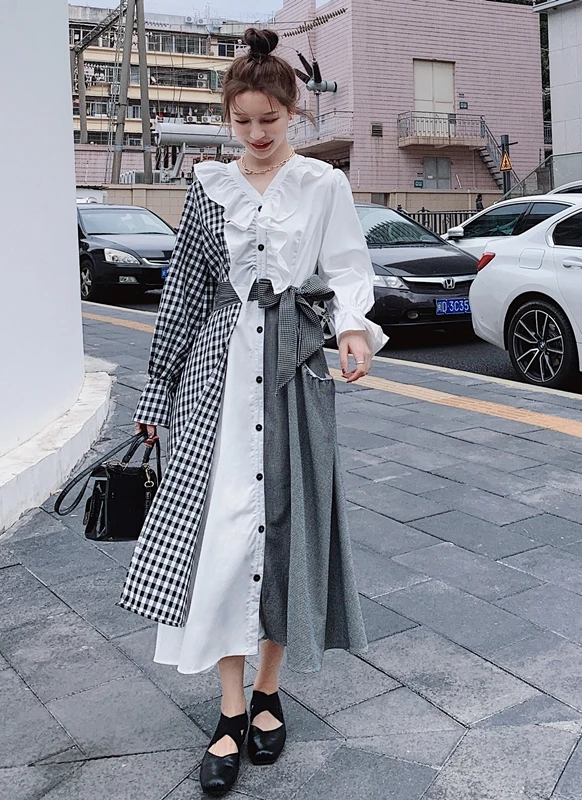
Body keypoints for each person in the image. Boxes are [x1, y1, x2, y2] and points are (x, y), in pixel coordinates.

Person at [118, 27, 386, 797]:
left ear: (293, 113)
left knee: (285, 530)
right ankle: (231, 707)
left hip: (295, 369)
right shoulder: (208, 188)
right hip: (217, 377)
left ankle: (269, 691)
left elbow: (347, 270)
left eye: (270, 119)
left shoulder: (322, 186)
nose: (258, 134)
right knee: (225, 539)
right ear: (227, 118)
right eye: (243, 121)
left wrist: (352, 331)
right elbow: (183, 295)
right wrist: (155, 392)